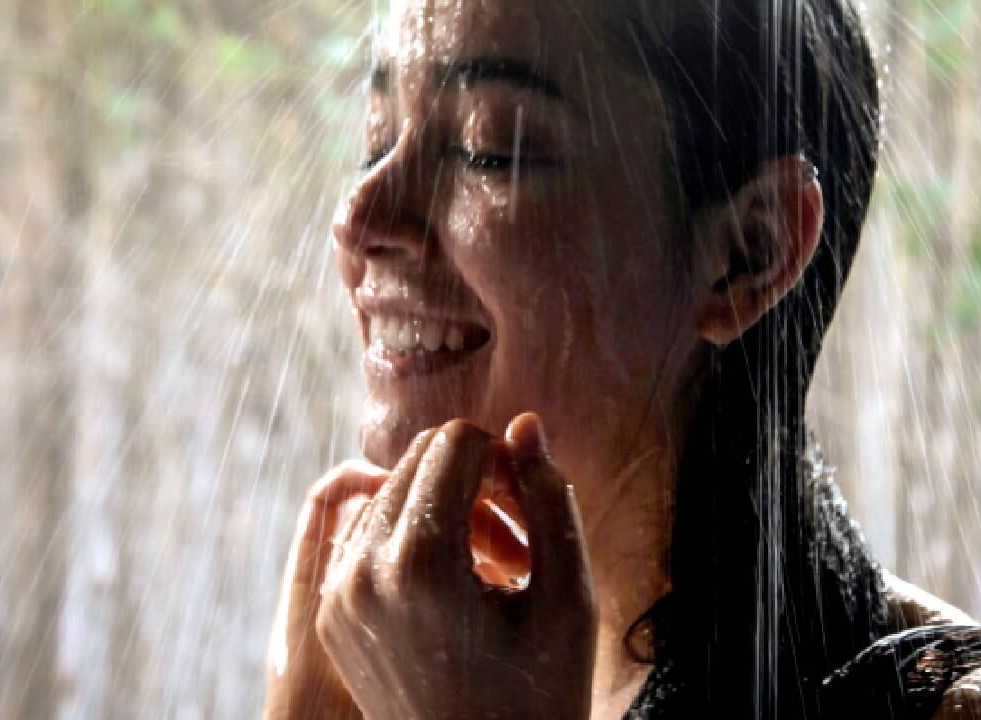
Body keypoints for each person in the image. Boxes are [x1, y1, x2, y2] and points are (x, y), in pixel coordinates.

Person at [263, 0, 981, 717]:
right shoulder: (422, 653)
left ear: (749, 255)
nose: (359, 218)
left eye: (490, 148)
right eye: (377, 140)